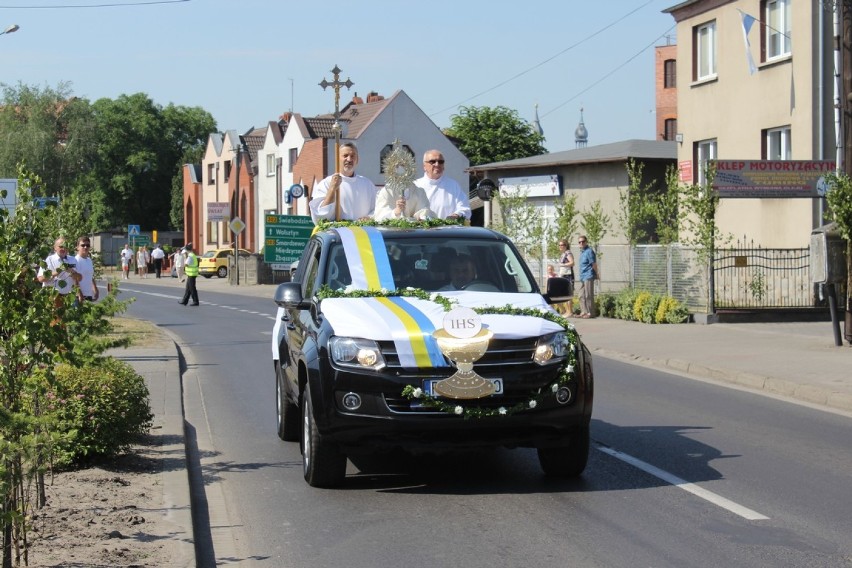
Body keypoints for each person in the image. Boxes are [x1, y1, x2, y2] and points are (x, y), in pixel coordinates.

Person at [309, 143, 376, 223]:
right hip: (337, 234)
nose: (349, 159)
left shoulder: (368, 185)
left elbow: (377, 211)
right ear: (337, 159)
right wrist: (332, 190)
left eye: (353, 156)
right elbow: (319, 217)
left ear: (357, 160)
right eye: (345, 155)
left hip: (362, 233)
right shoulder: (326, 183)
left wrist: (369, 218)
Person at [414, 149, 471, 220]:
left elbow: (465, 209)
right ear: (424, 166)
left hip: (448, 230)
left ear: (443, 166)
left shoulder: (453, 185)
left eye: (440, 162)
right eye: (432, 161)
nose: (437, 164)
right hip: (422, 229)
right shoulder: (416, 185)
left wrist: (456, 215)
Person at [577, 235, 598, 318]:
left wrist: (597, 274)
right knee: (580, 295)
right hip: (583, 276)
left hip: (588, 275)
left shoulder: (589, 251)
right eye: (579, 242)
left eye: (583, 241)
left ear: (586, 242)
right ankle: (584, 312)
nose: (581, 243)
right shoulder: (582, 252)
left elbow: (594, 264)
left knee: (588, 295)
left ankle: (591, 313)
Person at [73, 236, 99, 303]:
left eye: (87, 245)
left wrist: (95, 289)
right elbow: (74, 279)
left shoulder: (89, 260)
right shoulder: (75, 260)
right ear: (77, 247)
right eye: (83, 245)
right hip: (78, 296)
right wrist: (79, 294)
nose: (85, 247)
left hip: (88, 294)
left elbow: (90, 276)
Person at [557, 239, 575, 315]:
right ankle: (567, 311)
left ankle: (570, 311)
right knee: (565, 294)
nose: (561, 246)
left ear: (566, 245)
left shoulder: (568, 253)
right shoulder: (563, 254)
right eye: (559, 245)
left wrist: (563, 265)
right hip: (563, 275)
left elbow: (572, 263)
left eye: (562, 245)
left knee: (569, 293)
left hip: (568, 276)